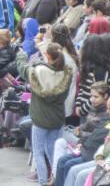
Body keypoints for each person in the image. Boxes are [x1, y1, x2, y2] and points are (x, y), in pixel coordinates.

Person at [16, 42, 74, 185]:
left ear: (48, 55)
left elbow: (23, 69)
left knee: (38, 152)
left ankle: (42, 181)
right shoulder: (67, 73)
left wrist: (21, 56)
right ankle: (56, 179)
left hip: (40, 119)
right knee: (53, 152)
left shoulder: (40, 71)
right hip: (57, 118)